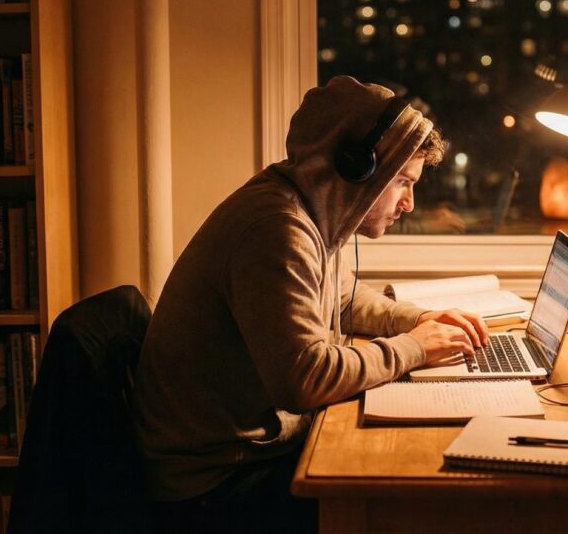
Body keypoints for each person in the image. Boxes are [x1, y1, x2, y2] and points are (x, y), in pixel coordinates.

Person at [132, 76, 489, 533]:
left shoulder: (310, 211)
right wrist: (414, 348)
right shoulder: (277, 229)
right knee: (412, 500)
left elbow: (339, 299)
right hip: (210, 488)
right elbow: (305, 379)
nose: (409, 203)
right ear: (356, 166)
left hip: (242, 459)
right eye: (402, 181)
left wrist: (417, 320)